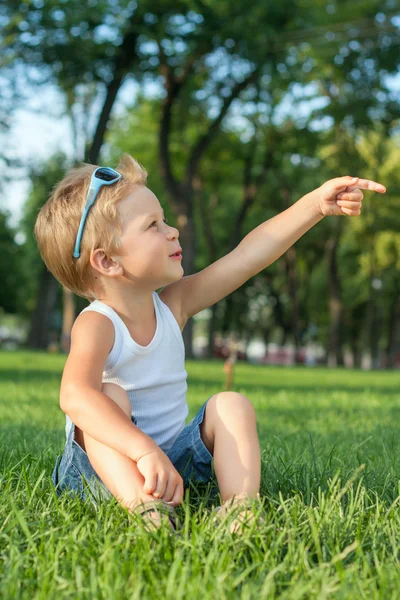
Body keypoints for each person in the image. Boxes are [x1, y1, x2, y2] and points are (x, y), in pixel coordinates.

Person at [34, 154, 385, 533]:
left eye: (165, 220)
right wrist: (143, 450)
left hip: (168, 462)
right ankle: (146, 512)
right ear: (106, 261)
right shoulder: (98, 323)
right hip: (99, 472)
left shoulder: (174, 305)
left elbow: (246, 258)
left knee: (230, 403)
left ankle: (239, 509)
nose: (173, 231)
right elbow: (75, 397)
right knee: (107, 394)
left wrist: (314, 205)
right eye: (153, 225)